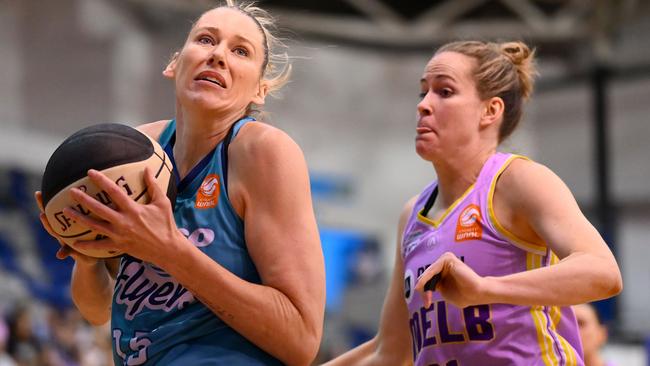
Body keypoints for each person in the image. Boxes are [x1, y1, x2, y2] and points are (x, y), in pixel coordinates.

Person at [34, 1, 325, 365]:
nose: (218, 55)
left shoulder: (264, 153)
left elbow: (301, 340)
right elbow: (97, 311)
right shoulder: (132, 155)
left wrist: (169, 251)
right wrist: (87, 251)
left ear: (259, 91)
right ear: (174, 63)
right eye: (206, 39)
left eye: (240, 51)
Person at [324, 40, 622, 365]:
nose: (424, 104)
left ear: (490, 110)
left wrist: (484, 289)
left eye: (445, 91)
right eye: (422, 92)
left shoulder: (517, 180)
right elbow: (390, 352)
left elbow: (603, 272)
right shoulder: (412, 215)